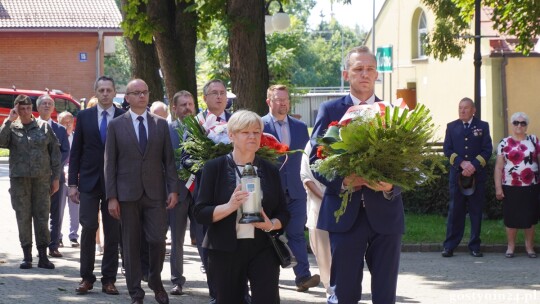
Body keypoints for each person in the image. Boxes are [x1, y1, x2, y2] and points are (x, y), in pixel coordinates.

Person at [310, 46, 404, 304]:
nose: (365, 74)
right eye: (358, 69)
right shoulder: (329, 110)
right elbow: (315, 159)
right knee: (346, 293)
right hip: (345, 214)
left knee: (385, 295)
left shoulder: (393, 112)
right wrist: (343, 181)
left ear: (377, 75)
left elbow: (407, 161)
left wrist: (389, 186)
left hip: (386, 213)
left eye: (370, 69)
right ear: (346, 74)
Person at [193, 109, 290, 304]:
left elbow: (284, 213)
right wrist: (229, 206)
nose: (252, 137)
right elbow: (200, 213)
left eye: (256, 132)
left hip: (263, 248)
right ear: (231, 135)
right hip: (225, 249)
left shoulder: (270, 169)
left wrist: (270, 224)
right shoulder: (214, 168)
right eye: (246, 132)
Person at [105, 78, 179, 304]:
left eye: (144, 92)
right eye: (136, 93)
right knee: (131, 244)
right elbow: (110, 163)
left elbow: (169, 160)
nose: (141, 96)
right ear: (126, 98)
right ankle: (136, 292)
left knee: (157, 240)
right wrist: (112, 197)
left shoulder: (160, 124)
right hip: (127, 195)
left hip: (155, 193)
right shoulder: (116, 125)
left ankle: (155, 282)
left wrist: (173, 189)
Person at [68, 76, 124, 296]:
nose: (105, 93)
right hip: (89, 183)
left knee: (112, 232)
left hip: (116, 185)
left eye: (109, 90)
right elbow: (76, 152)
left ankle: (109, 279)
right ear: (95, 92)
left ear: (114, 91)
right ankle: (86, 277)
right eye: (101, 90)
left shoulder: (123, 116)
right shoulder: (83, 116)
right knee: (88, 227)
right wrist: (73, 183)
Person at [262, 84, 319, 292]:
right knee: (267, 236)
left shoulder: (299, 127)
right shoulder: (259, 126)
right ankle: (266, 279)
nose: (283, 103)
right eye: (278, 99)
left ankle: (302, 277)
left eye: (286, 99)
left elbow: (306, 158)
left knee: (296, 233)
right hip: (269, 193)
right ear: (269, 101)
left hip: (295, 191)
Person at [0, 94, 61, 270]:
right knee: (23, 217)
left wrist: (56, 178)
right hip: (20, 181)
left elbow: (55, 153)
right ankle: (27, 256)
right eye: (21, 109)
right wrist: (8, 120)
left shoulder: (42, 127)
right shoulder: (12, 127)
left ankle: (43, 255)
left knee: (42, 216)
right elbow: (1, 142)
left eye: (28, 108)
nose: (25, 111)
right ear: (16, 110)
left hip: (42, 180)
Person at [442, 97, 493, 258]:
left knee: (476, 211)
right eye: (460, 108)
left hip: (476, 177)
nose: (462, 111)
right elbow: (447, 149)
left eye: (465, 108)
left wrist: (473, 165)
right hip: (457, 176)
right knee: (455, 211)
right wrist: (461, 164)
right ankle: (449, 246)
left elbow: (487, 150)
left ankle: (475, 246)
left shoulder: (482, 126)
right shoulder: (452, 127)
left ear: (473, 110)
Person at [494, 112, 540, 258]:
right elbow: (498, 168)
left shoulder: (534, 140)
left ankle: (529, 247)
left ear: (526, 126)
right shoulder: (504, 143)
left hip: (531, 186)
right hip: (510, 185)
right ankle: (511, 247)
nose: (519, 125)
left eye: (523, 123)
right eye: (516, 123)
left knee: (530, 217)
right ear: (512, 125)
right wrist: (498, 187)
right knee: (511, 218)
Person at [167, 90, 196, 296]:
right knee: (177, 238)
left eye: (190, 104)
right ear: (174, 108)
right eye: (183, 105)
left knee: (205, 237)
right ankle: (177, 280)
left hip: (200, 193)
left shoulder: (204, 129)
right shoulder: (167, 130)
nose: (187, 108)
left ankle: (215, 278)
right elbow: (166, 164)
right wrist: (172, 190)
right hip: (177, 192)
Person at [36, 94, 70, 258]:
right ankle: (40, 246)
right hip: (35, 179)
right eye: (44, 103)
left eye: (50, 103)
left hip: (56, 178)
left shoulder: (60, 130)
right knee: (39, 213)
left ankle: (54, 245)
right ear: (38, 107)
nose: (47, 106)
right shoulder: (31, 127)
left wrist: (52, 167)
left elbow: (65, 151)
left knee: (56, 214)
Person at [300, 141, 333, 297]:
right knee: (323, 252)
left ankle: (342, 288)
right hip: (320, 206)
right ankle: (330, 290)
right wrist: (328, 199)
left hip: (347, 206)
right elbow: (306, 177)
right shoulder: (312, 144)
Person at [57, 111, 80, 248]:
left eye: (69, 123)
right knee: (58, 209)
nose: (67, 125)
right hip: (59, 177)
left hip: (74, 178)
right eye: (63, 123)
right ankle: (57, 236)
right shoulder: (55, 137)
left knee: (75, 208)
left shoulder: (77, 138)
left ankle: (73, 236)